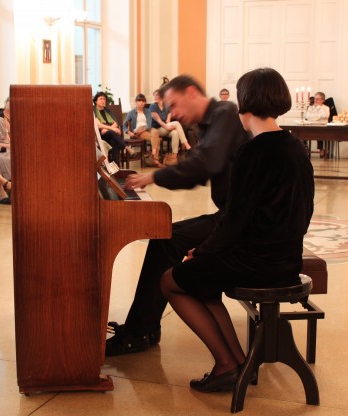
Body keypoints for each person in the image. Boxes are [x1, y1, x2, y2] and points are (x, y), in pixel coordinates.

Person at [161, 67, 314, 392]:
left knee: (172, 280)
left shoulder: (253, 151)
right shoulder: (296, 147)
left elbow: (233, 222)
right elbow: (305, 213)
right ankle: (233, 363)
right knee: (203, 278)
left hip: (256, 263)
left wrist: (199, 251)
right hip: (287, 261)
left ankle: (228, 363)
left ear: (245, 102)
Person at [104, 75, 251, 356]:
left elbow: (206, 162)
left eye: (174, 104)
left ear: (192, 93)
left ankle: (138, 332)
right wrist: (155, 178)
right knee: (165, 237)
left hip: (238, 222)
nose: (172, 113)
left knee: (167, 239)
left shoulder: (225, 113)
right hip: (232, 216)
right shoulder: (213, 120)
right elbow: (201, 168)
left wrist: (153, 177)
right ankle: (144, 327)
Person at [149, 89, 193, 166]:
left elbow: (169, 116)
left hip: (164, 128)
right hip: (156, 130)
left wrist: (168, 122)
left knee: (175, 133)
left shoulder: (166, 105)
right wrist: (167, 126)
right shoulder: (153, 106)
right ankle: (186, 144)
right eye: (154, 95)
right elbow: (159, 121)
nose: (155, 97)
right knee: (176, 123)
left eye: (157, 95)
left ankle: (174, 157)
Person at [93, 91, 126, 165]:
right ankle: (125, 146)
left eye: (104, 99)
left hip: (109, 133)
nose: (103, 101)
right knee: (112, 133)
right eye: (100, 99)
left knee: (114, 142)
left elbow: (115, 123)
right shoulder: (94, 111)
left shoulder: (108, 111)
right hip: (100, 134)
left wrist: (108, 129)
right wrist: (113, 129)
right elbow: (98, 125)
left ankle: (116, 167)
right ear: (96, 101)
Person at [123, 93, 154, 164]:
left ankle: (152, 156)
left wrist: (144, 129)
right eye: (139, 101)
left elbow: (149, 125)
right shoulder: (131, 113)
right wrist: (128, 132)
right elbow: (124, 125)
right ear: (136, 101)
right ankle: (153, 158)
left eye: (143, 101)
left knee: (155, 136)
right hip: (138, 131)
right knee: (155, 138)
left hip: (147, 129)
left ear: (145, 102)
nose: (141, 103)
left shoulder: (148, 111)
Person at [305, 92, 331, 157]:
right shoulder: (310, 107)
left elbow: (325, 115)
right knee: (303, 132)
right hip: (311, 126)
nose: (315, 100)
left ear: (322, 100)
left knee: (320, 133)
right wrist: (318, 117)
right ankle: (305, 148)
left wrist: (319, 108)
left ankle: (321, 149)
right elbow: (307, 116)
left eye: (318, 99)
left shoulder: (326, 108)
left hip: (321, 126)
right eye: (315, 99)